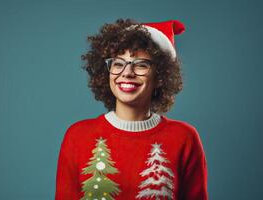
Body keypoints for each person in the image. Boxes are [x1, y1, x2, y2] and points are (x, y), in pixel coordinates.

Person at [55, 18, 208, 200]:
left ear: (160, 76)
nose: (127, 73)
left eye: (141, 64)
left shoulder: (184, 138)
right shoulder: (77, 136)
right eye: (118, 63)